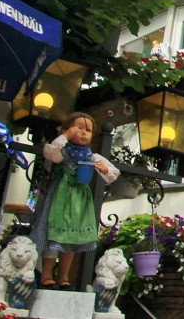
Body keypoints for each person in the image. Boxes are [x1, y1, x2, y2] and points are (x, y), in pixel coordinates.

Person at [29, 113, 118, 290]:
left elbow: (113, 173)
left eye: (88, 130)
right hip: (60, 197)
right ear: (67, 129)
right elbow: (50, 153)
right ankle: (46, 275)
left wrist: (104, 168)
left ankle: (63, 276)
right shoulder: (64, 150)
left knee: (71, 239)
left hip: (79, 200)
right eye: (79, 128)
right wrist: (66, 136)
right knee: (53, 234)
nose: (84, 132)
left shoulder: (90, 156)